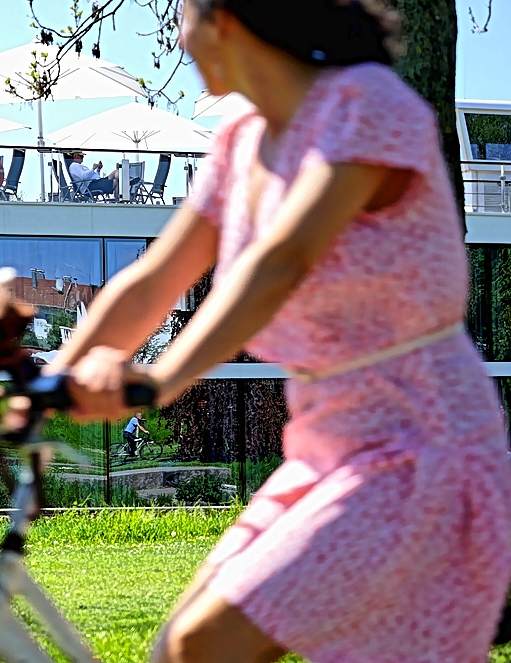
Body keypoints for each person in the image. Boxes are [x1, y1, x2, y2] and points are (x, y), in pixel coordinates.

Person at [44, 1, 511, 662]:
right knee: (182, 647)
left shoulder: (365, 104)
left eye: (182, 14)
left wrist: (158, 379)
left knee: (210, 643)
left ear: (224, 19)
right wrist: (56, 374)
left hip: (419, 443)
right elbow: (153, 279)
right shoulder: (239, 138)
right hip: (323, 443)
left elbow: (282, 260)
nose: (177, 37)